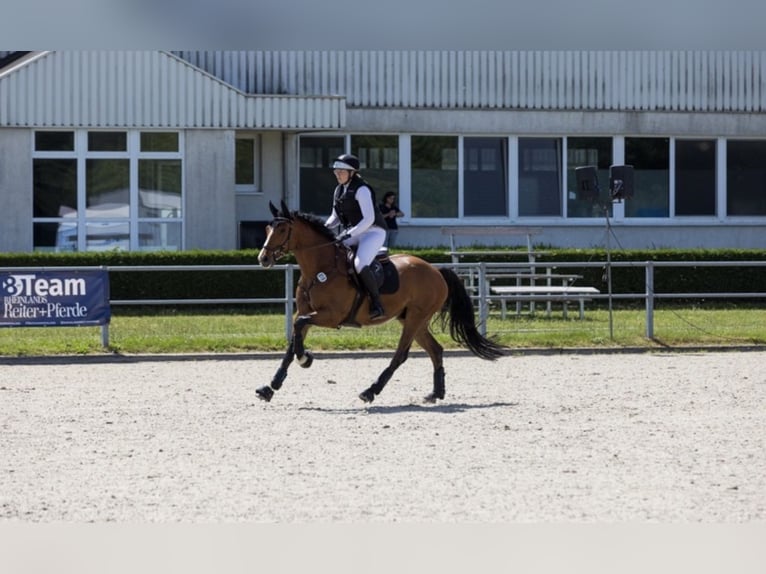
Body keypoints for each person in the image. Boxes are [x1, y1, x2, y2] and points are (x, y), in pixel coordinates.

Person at [324, 153, 388, 320]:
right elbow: (335, 217)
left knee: (359, 264)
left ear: (352, 172)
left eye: (342, 171)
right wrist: (323, 228)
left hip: (373, 232)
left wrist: (348, 234)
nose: (338, 174)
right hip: (352, 232)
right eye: (336, 171)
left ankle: (376, 303)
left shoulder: (362, 189)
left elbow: (369, 219)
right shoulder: (338, 190)